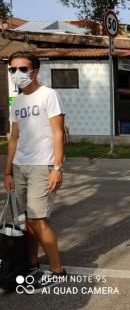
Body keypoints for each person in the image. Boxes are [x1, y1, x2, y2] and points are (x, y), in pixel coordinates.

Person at [3, 51, 67, 294]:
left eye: (22, 69)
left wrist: (57, 168)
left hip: (43, 165)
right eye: (13, 69)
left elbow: (58, 133)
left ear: (35, 70)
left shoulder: (49, 95)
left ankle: (58, 271)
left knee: (38, 220)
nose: (17, 74)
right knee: (25, 221)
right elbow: (14, 138)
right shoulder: (17, 102)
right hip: (20, 166)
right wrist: (7, 171)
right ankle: (31, 263)